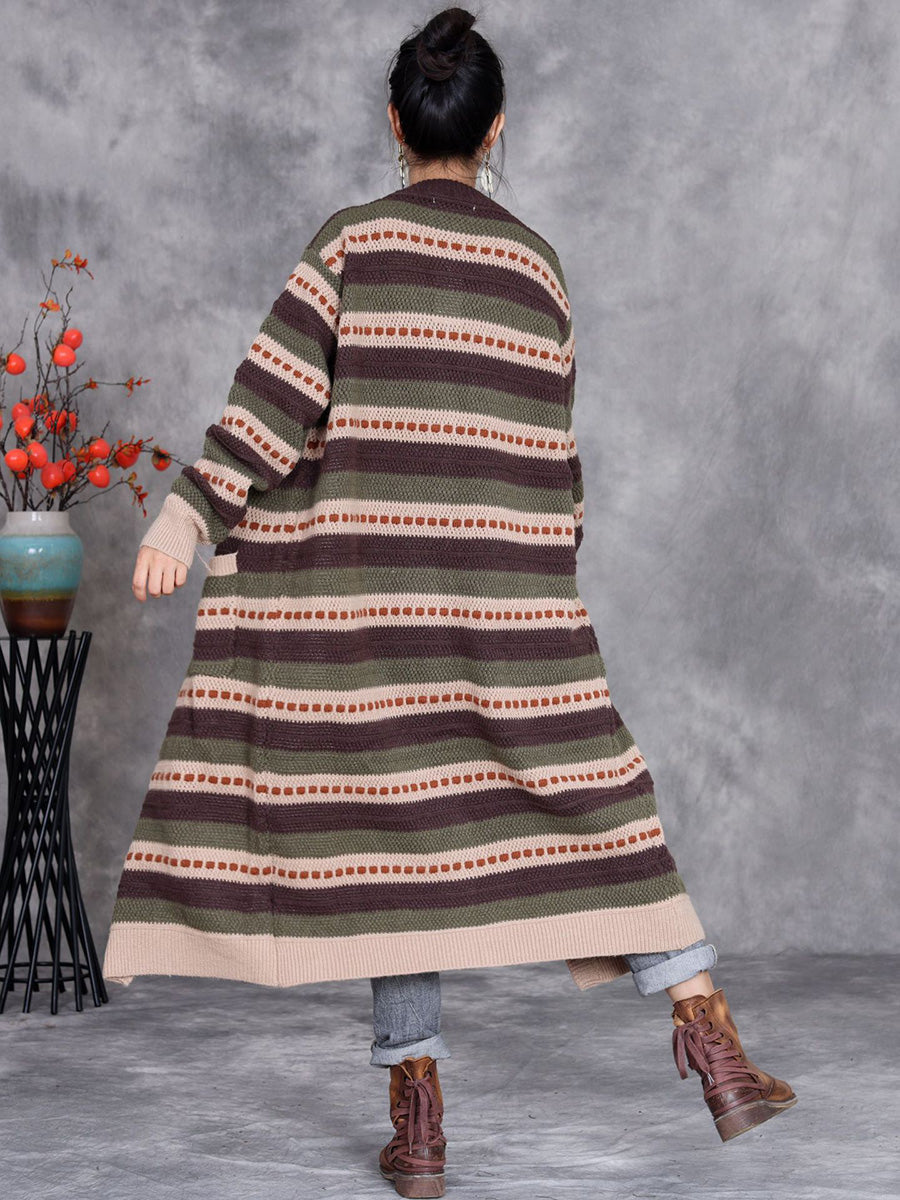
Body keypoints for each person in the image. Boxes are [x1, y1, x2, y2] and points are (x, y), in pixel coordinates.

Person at [105, 7, 797, 1197]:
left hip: (365, 626)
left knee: (393, 846)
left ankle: (420, 1127)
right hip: (502, 614)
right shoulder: (537, 269)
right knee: (597, 807)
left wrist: (189, 515)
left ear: (395, 124)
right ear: (496, 128)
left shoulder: (350, 245)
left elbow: (270, 402)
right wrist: (542, 580)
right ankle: (711, 1038)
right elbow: (553, 459)